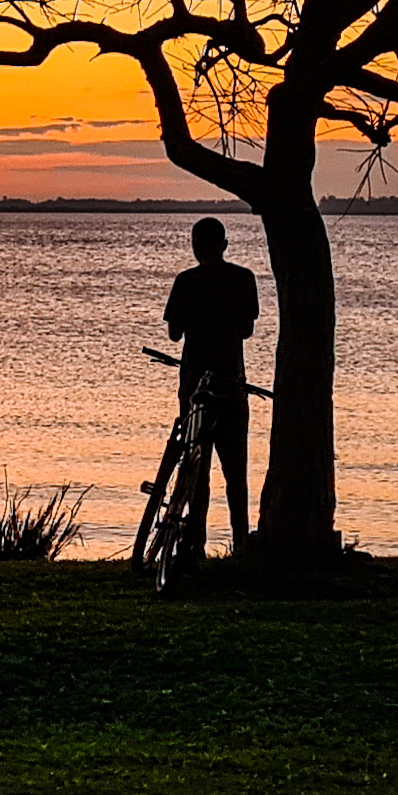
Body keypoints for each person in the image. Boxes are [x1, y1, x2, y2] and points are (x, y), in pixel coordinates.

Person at [163, 216, 261, 553]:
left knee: (195, 468)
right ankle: (241, 542)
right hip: (232, 384)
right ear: (224, 245)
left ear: (195, 247)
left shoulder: (185, 282)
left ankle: (194, 543)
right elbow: (247, 330)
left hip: (194, 388)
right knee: (236, 472)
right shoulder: (244, 279)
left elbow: (175, 333)